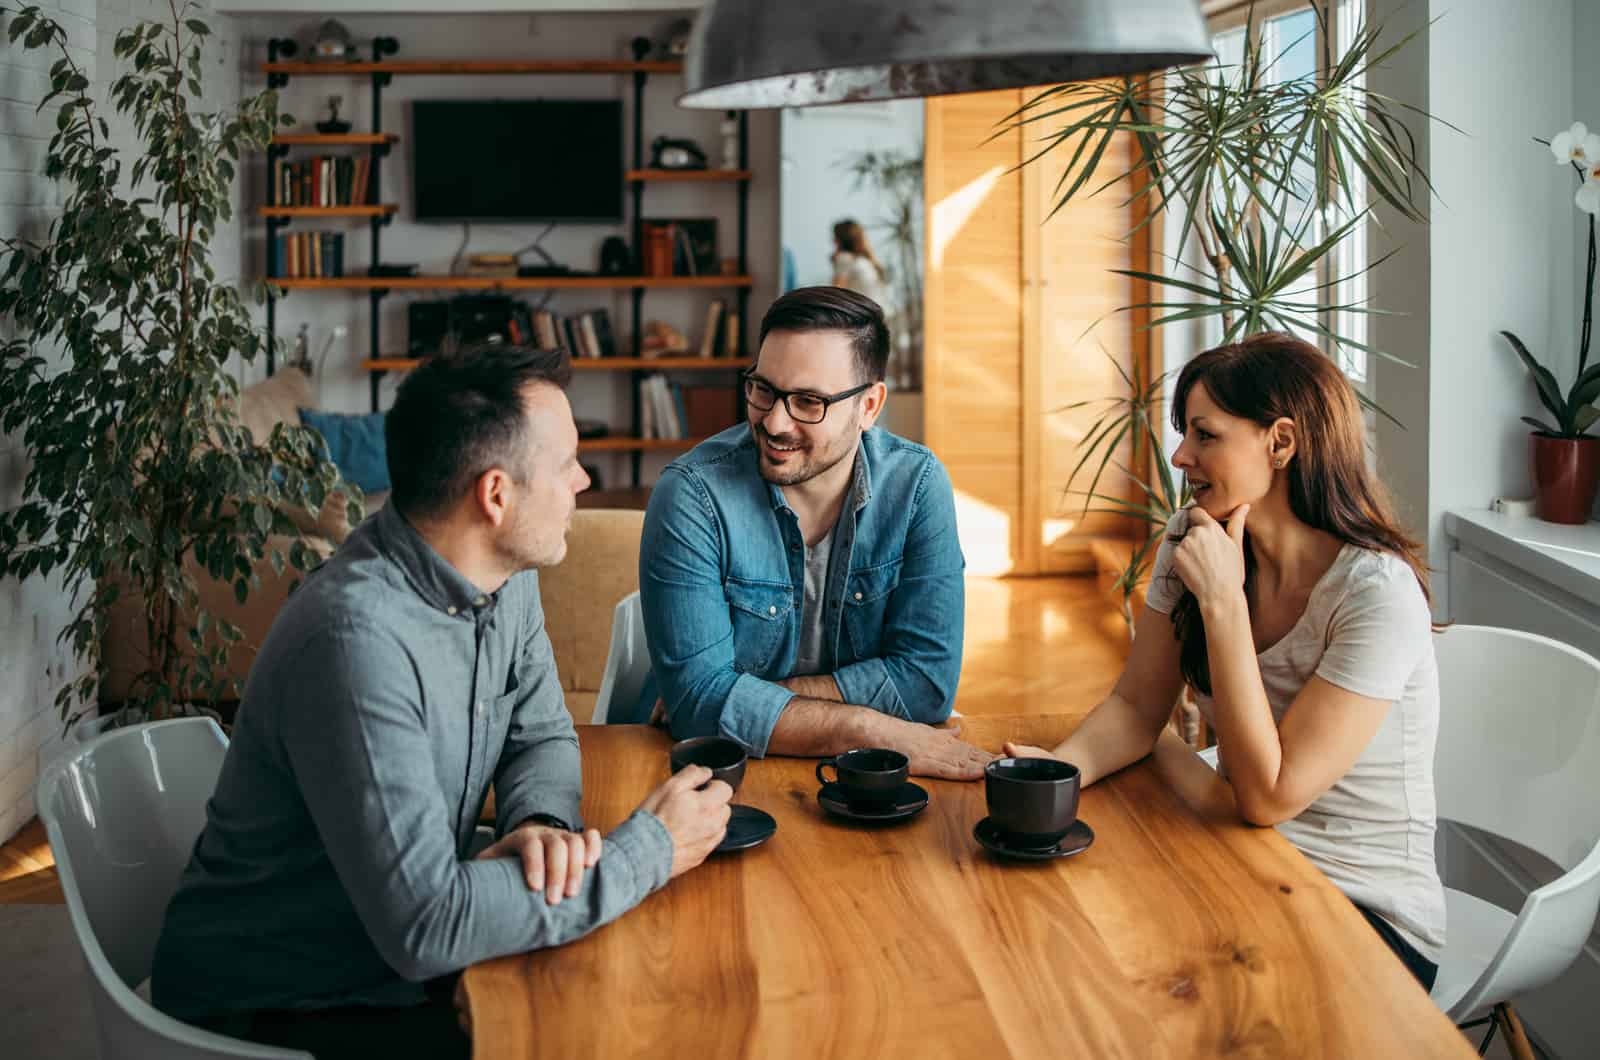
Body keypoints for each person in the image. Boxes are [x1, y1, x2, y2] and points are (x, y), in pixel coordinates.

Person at [151, 345, 733, 1057]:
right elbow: (428, 925)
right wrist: (650, 849)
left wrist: (543, 826)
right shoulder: (353, 641)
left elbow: (542, 732)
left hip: (386, 961)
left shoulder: (502, 573)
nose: (584, 481)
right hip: (278, 1007)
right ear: (495, 495)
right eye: (566, 464)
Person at [1007, 332, 1445, 990]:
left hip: (1364, 910)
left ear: (1282, 442)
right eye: (1185, 433)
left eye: (1205, 435)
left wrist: (1221, 600)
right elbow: (1135, 707)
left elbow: (1268, 796)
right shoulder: (1192, 537)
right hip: (1240, 858)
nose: (1180, 456)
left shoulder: (1374, 592)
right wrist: (1052, 777)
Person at [636, 286, 992, 779]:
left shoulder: (917, 486)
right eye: (763, 389)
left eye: (808, 401)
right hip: (716, 778)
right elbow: (698, 711)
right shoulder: (692, 495)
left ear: (869, 406)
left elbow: (928, 687)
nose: (775, 422)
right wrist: (869, 728)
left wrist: (741, 698)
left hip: (865, 778)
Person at [830, 220, 892, 312]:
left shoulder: (845, 259)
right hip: (881, 312)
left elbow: (837, 292)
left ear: (839, 240)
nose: (832, 240)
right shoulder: (864, 261)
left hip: (868, 315)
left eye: (834, 236)